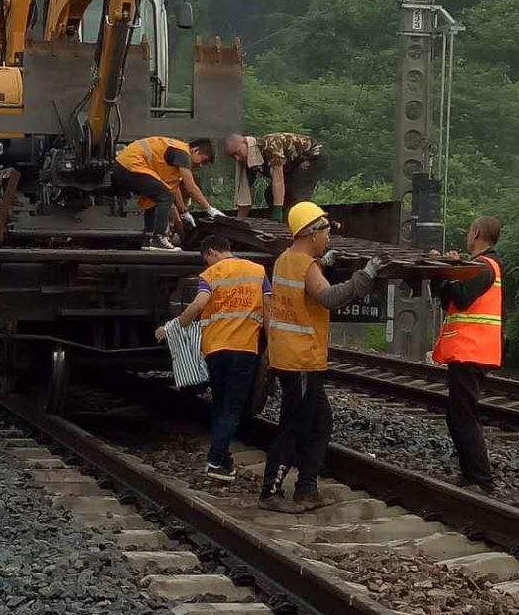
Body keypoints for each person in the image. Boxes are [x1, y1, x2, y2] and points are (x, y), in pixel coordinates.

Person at [260, 202, 385, 512]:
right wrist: (364, 276)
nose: (329, 237)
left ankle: (307, 488)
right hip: (299, 358)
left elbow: (304, 288)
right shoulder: (305, 266)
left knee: (321, 422)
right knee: (295, 425)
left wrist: (321, 265)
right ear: (311, 234)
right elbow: (328, 297)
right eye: (326, 231)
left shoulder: (285, 260)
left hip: (292, 356)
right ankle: (270, 493)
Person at [157, 235, 266, 481]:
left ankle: (222, 458)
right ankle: (216, 460)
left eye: (207, 260)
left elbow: (198, 305)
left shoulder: (211, 275)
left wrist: (176, 325)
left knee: (220, 404)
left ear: (211, 253)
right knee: (232, 407)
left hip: (216, 349)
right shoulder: (257, 271)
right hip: (245, 349)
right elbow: (268, 310)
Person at [431, 215, 503, 492]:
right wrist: (444, 272)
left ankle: (480, 479)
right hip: (467, 350)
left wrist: (449, 269)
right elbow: (446, 299)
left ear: (476, 233)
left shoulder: (485, 267)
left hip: (473, 350)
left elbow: (461, 298)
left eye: (469, 230)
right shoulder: (478, 266)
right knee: (457, 413)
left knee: (463, 414)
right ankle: (471, 474)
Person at [113, 135, 221, 248]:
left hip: (124, 166)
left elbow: (173, 188)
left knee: (156, 197)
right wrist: (210, 209)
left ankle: (149, 239)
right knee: (164, 196)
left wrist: (184, 213)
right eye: (203, 161)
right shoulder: (183, 153)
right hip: (131, 164)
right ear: (195, 150)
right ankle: (158, 238)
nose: (200, 165)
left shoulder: (174, 159)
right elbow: (191, 187)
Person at [224, 134, 286, 221]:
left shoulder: (270, 146)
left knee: (293, 195)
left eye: (238, 152)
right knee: (269, 194)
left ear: (245, 143)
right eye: (233, 156)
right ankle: (281, 221)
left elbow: (278, 179)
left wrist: (277, 211)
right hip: (288, 169)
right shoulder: (248, 160)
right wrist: (240, 220)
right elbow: (246, 191)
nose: (237, 158)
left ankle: (291, 224)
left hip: (305, 161)